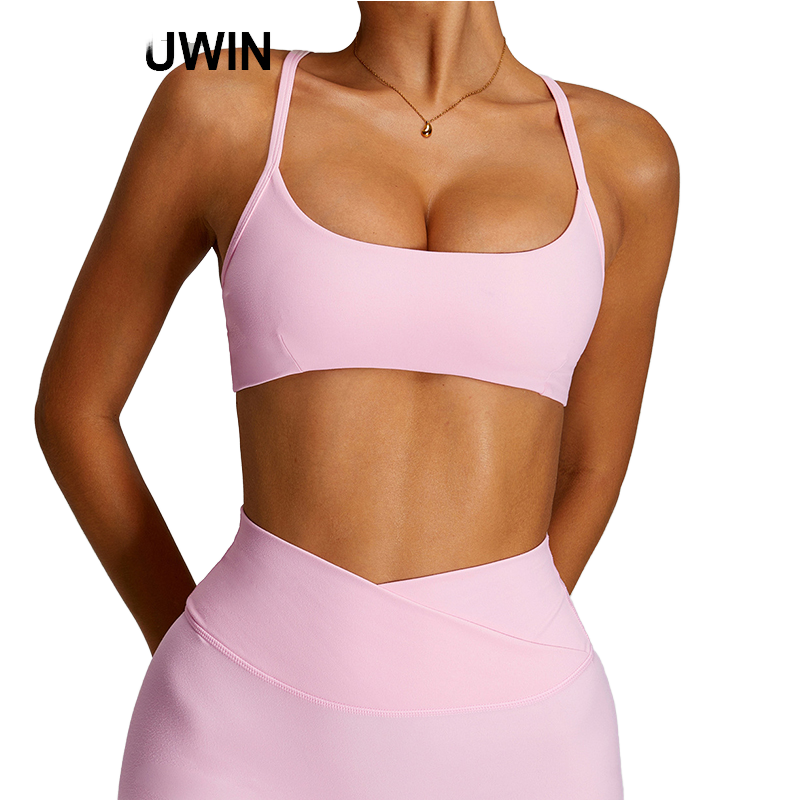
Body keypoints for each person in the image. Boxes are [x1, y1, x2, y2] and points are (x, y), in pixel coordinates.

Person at [34, 2, 679, 797]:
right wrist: (195, 641)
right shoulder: (220, 100)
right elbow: (76, 407)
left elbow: (592, 463)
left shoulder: (624, 154)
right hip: (233, 726)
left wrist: (485, 639)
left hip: (524, 734)